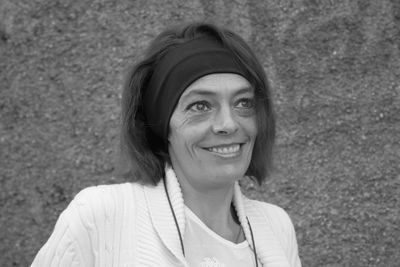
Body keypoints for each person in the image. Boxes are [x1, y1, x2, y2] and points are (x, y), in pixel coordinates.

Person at [31, 22, 301, 267]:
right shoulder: (101, 216)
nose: (228, 124)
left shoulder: (276, 226)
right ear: (162, 126)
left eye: (243, 103)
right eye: (200, 105)